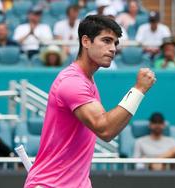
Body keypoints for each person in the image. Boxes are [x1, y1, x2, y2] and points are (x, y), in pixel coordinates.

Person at [24, 15, 156, 188]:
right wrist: (138, 90)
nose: (113, 49)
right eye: (106, 41)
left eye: (115, 43)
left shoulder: (87, 81)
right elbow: (105, 128)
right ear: (85, 41)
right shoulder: (72, 82)